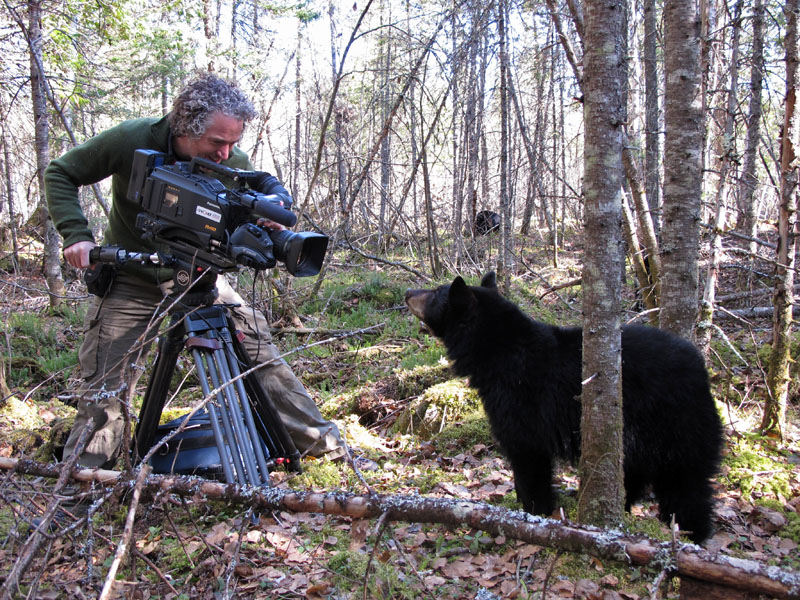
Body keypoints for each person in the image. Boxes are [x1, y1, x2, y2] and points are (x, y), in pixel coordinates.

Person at [45, 73, 347, 482]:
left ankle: (322, 447)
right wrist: (76, 235)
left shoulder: (231, 165)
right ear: (184, 129)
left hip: (199, 277)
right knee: (106, 382)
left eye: (233, 143)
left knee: (258, 352)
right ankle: (84, 479)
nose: (226, 153)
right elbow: (61, 172)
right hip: (130, 275)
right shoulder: (132, 139)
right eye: (216, 143)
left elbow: (245, 209)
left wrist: (262, 223)